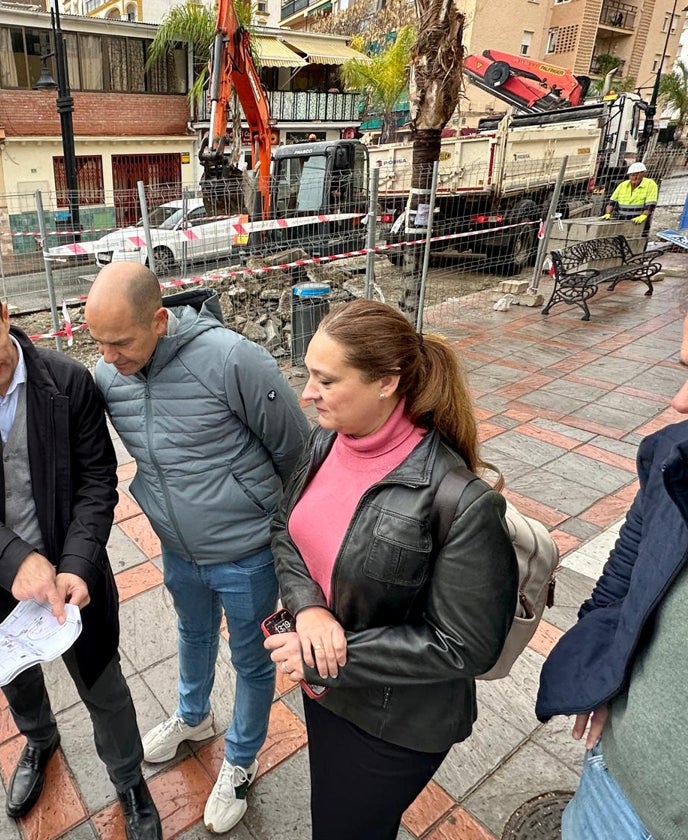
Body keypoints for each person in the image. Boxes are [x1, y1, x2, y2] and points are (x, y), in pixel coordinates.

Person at [0, 273, 161, 840]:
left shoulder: (68, 382)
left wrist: (75, 563)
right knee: (15, 679)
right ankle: (39, 739)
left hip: (74, 573)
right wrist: (12, 559)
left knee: (104, 683)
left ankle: (128, 780)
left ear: (5, 313)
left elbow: (97, 481)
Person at [263, 299, 517, 840]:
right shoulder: (325, 442)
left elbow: (467, 645)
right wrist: (309, 611)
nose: (306, 392)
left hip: (393, 719)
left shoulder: (460, 501)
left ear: (386, 383)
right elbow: (285, 529)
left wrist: (336, 649)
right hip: (328, 686)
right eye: (309, 373)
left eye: (326, 380)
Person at [85, 264, 310, 835]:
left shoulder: (234, 360)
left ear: (159, 321)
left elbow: (299, 455)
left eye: (120, 342)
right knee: (192, 633)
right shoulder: (110, 376)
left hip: (248, 551)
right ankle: (193, 715)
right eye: (97, 343)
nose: (107, 357)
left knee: (253, 658)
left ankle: (239, 758)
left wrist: (290, 542)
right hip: (178, 547)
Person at [536, 314, 688, 839]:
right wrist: (601, 670)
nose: (680, 401)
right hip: (617, 782)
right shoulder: (675, 459)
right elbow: (622, 580)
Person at [600, 162, 658, 234]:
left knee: (638, 239)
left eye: (637, 175)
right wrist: (608, 213)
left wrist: (643, 216)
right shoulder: (623, 185)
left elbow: (650, 205)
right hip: (622, 219)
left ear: (643, 174)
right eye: (632, 175)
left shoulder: (650, 184)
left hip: (639, 221)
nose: (634, 177)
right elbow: (611, 203)